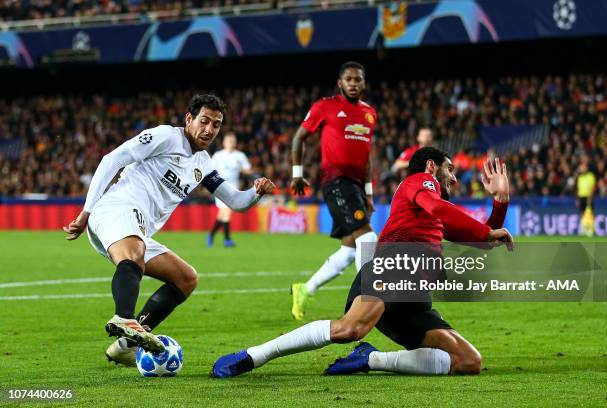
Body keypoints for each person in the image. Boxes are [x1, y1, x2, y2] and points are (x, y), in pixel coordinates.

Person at [212, 147, 512, 378]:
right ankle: (254, 356)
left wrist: (500, 201)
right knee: (348, 329)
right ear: (432, 167)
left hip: (414, 294)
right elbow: (442, 209)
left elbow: (482, 241)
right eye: (450, 170)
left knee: (468, 362)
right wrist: (486, 229)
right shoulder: (420, 181)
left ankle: (370, 359)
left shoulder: (431, 216)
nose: (455, 178)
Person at [62, 94, 275, 366]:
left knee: (186, 278)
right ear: (189, 119)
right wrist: (85, 211)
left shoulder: (203, 164)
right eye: (204, 121)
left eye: (216, 124)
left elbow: (234, 200)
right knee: (134, 253)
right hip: (116, 209)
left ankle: (125, 344)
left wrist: (256, 193)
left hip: (138, 229)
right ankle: (124, 318)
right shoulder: (166, 136)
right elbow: (111, 159)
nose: (209, 129)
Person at [289, 61, 379, 320]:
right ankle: (367, 300)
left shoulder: (370, 113)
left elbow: (367, 156)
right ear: (340, 83)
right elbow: (299, 138)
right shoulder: (325, 107)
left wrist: (369, 193)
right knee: (368, 239)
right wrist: (297, 174)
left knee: (350, 249)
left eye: (357, 79)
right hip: (336, 182)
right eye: (348, 79)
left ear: (363, 83)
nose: (353, 83)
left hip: (357, 186)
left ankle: (305, 289)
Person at [208, 132, 253, 247]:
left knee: (223, 213)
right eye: (229, 141)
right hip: (219, 187)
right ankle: (227, 239)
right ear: (224, 143)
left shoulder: (240, 156)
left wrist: (241, 167)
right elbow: (209, 169)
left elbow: (248, 170)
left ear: (235, 143)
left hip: (234, 187)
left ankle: (211, 235)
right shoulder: (218, 155)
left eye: (233, 141)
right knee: (226, 211)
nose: (231, 143)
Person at [576, 161, 596, 237]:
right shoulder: (580, 178)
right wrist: (577, 199)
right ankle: (584, 230)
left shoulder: (591, 176)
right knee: (582, 214)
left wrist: (590, 197)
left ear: (586, 168)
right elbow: (578, 189)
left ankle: (590, 230)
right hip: (581, 197)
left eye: (583, 167)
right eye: (581, 167)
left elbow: (593, 188)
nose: (582, 169)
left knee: (590, 214)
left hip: (588, 197)